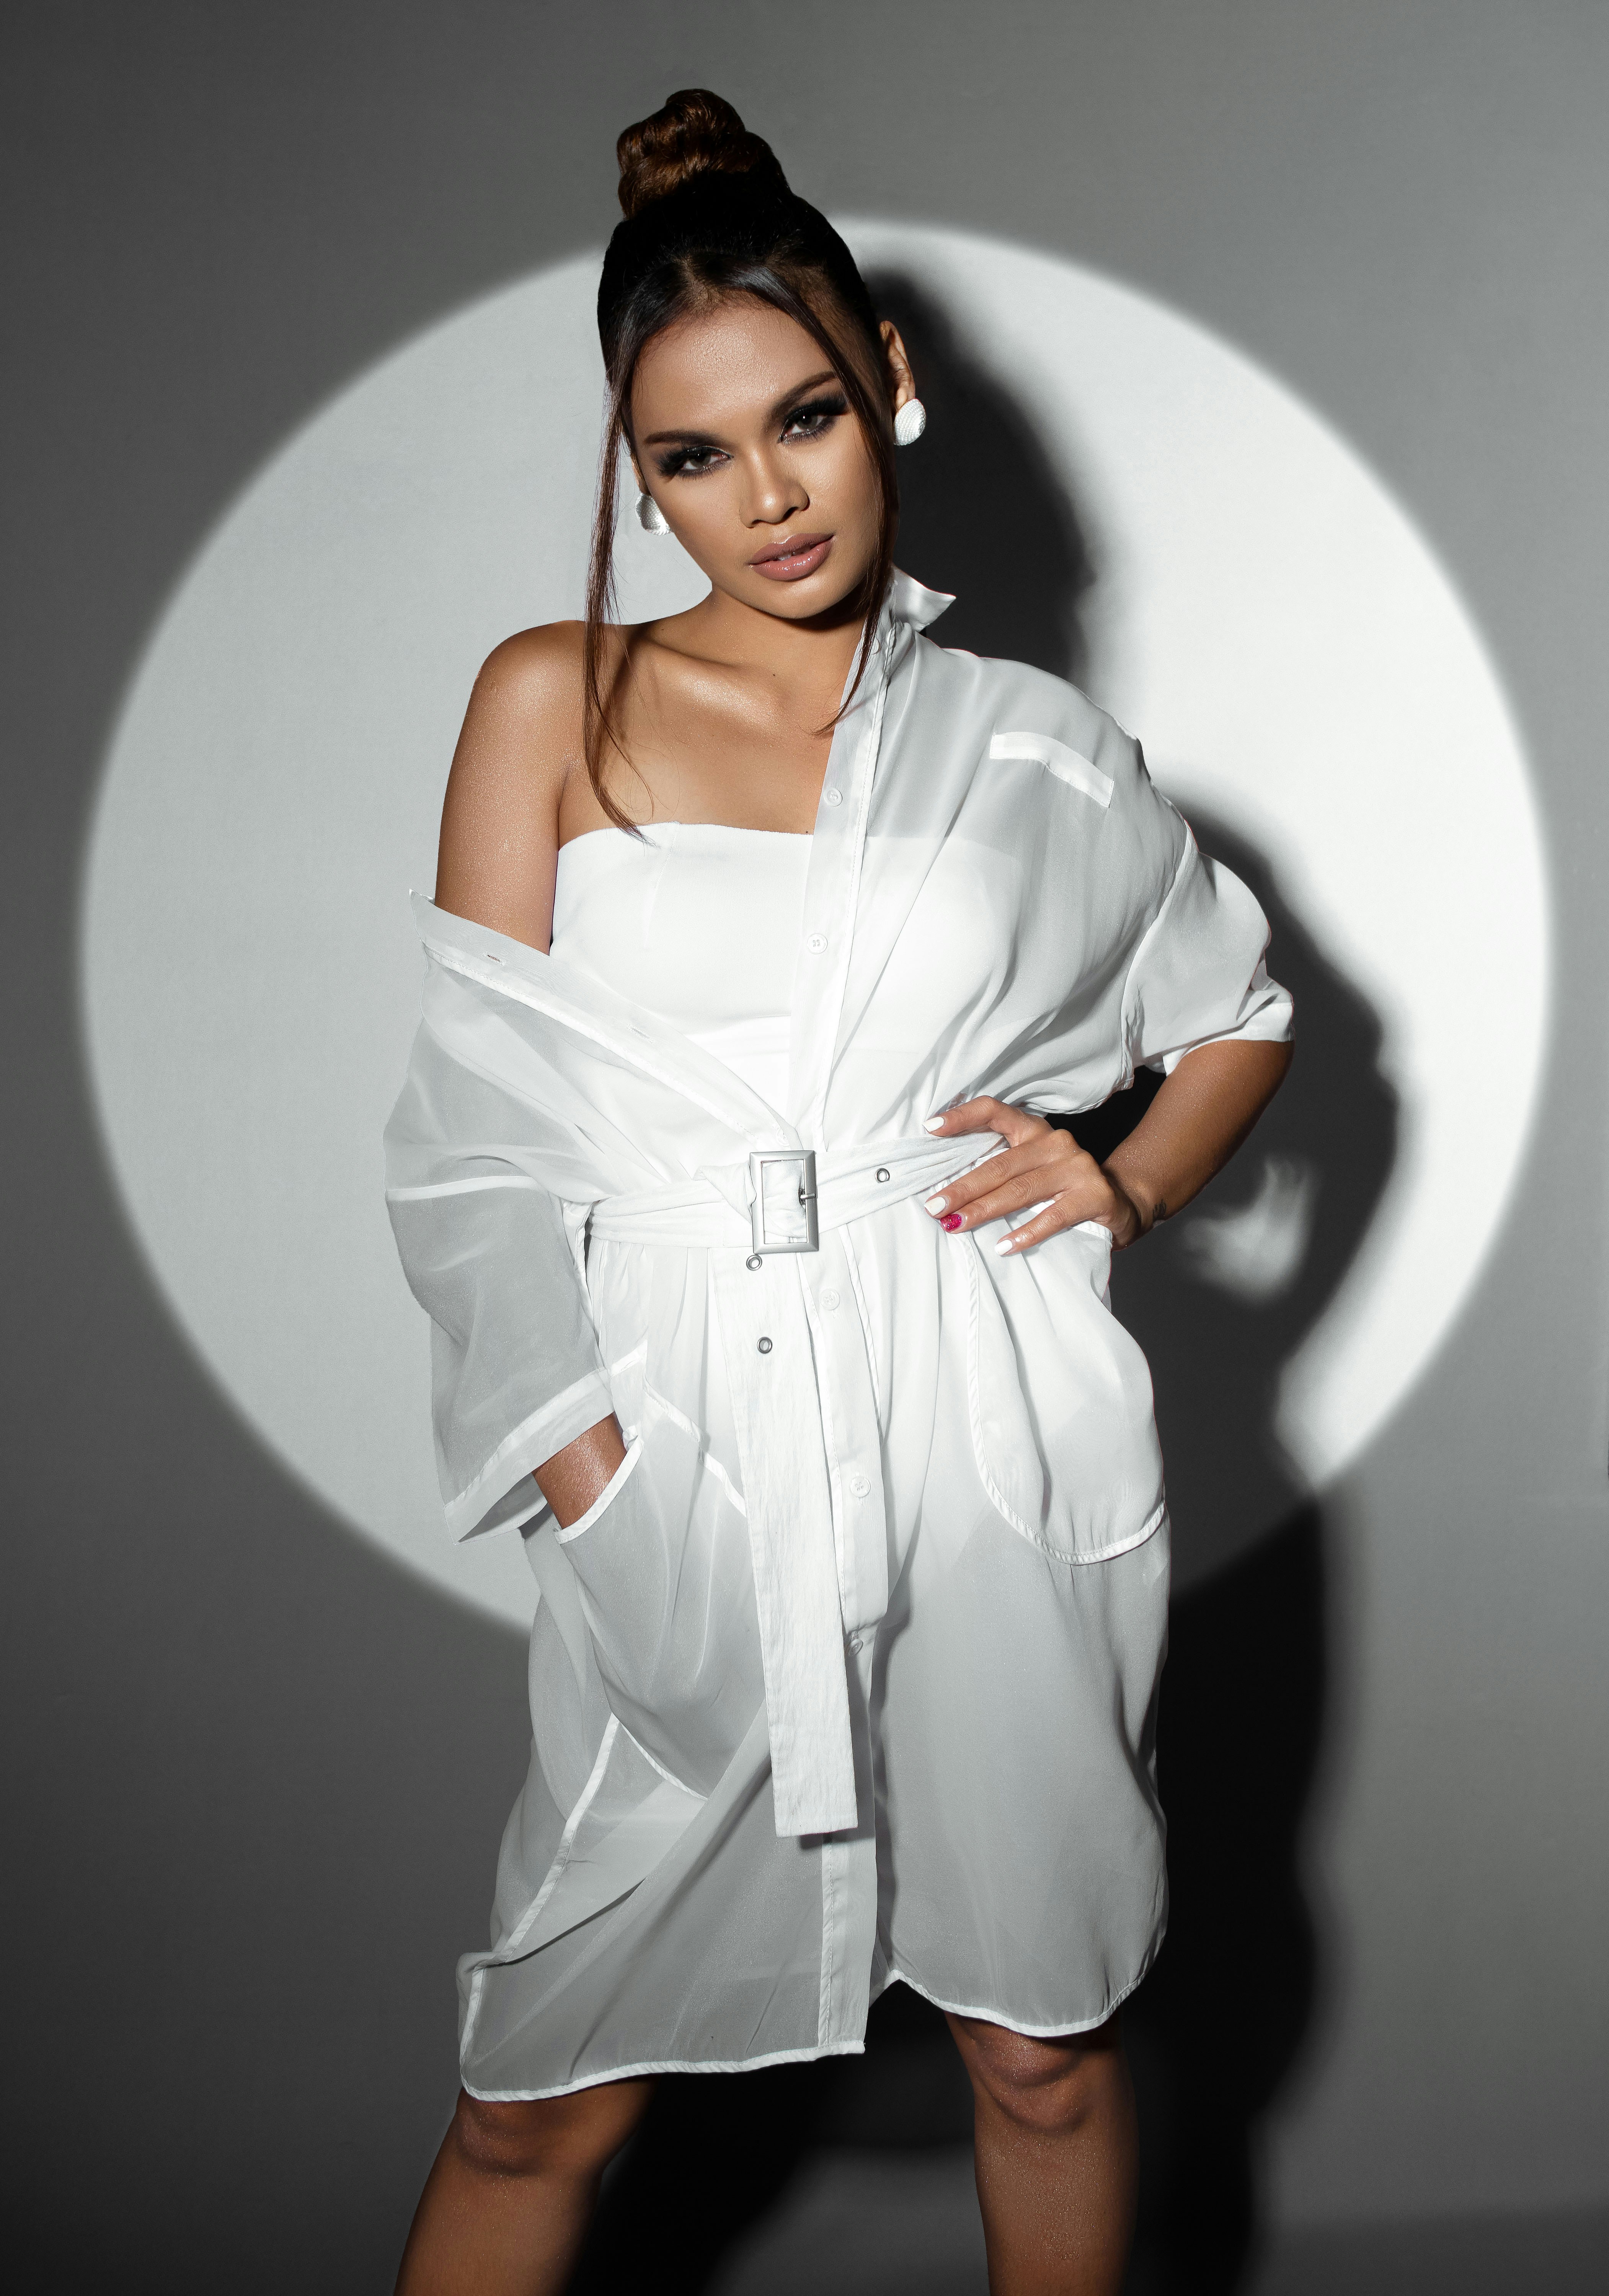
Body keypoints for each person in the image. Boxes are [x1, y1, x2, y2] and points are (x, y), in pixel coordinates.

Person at [385, 88, 1293, 2296]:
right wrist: (604, 1484)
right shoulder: (554, 697)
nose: (766, 498)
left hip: (976, 1417)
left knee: (1044, 2050)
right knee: (536, 2103)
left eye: (802, 417)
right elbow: (478, 1148)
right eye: (692, 456)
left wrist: (1121, 1187)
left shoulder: (1032, 743)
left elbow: (1240, 1011)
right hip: (688, 1431)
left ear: (889, 376)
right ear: (639, 474)